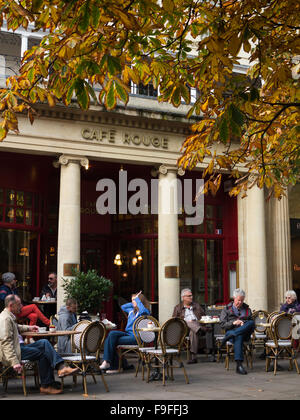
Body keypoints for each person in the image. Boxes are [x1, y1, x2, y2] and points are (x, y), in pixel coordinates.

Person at [0, 295, 79, 395]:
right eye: (19, 304)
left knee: (44, 343)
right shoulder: (5, 319)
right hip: (15, 351)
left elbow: (16, 327)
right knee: (43, 353)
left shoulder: (9, 316)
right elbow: (5, 342)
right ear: (11, 305)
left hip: (20, 347)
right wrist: (14, 361)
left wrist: (29, 327)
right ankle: (46, 385)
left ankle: (61, 368)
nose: (22, 306)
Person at [99, 291, 150, 374]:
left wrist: (137, 300)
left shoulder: (144, 312)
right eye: (132, 300)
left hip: (136, 337)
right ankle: (110, 363)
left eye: (135, 300)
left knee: (110, 341)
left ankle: (111, 364)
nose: (133, 301)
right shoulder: (131, 311)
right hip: (127, 334)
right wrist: (134, 302)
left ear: (140, 301)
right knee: (112, 334)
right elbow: (123, 306)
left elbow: (143, 310)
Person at [172, 288, 214, 363]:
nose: (191, 297)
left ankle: (193, 357)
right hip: (184, 329)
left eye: (191, 295)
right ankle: (200, 329)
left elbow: (204, 316)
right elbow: (174, 321)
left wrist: (196, 321)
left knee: (193, 332)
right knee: (187, 321)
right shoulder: (177, 308)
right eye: (189, 296)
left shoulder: (196, 305)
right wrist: (186, 321)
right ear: (183, 297)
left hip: (195, 326)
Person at [220, 288, 255, 375]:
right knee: (238, 336)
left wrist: (243, 323)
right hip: (231, 331)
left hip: (242, 333)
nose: (240, 302)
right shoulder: (226, 309)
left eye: (242, 300)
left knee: (251, 322)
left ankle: (233, 334)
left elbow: (251, 324)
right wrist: (234, 322)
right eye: (239, 300)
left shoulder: (247, 309)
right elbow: (222, 324)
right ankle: (239, 365)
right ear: (234, 298)